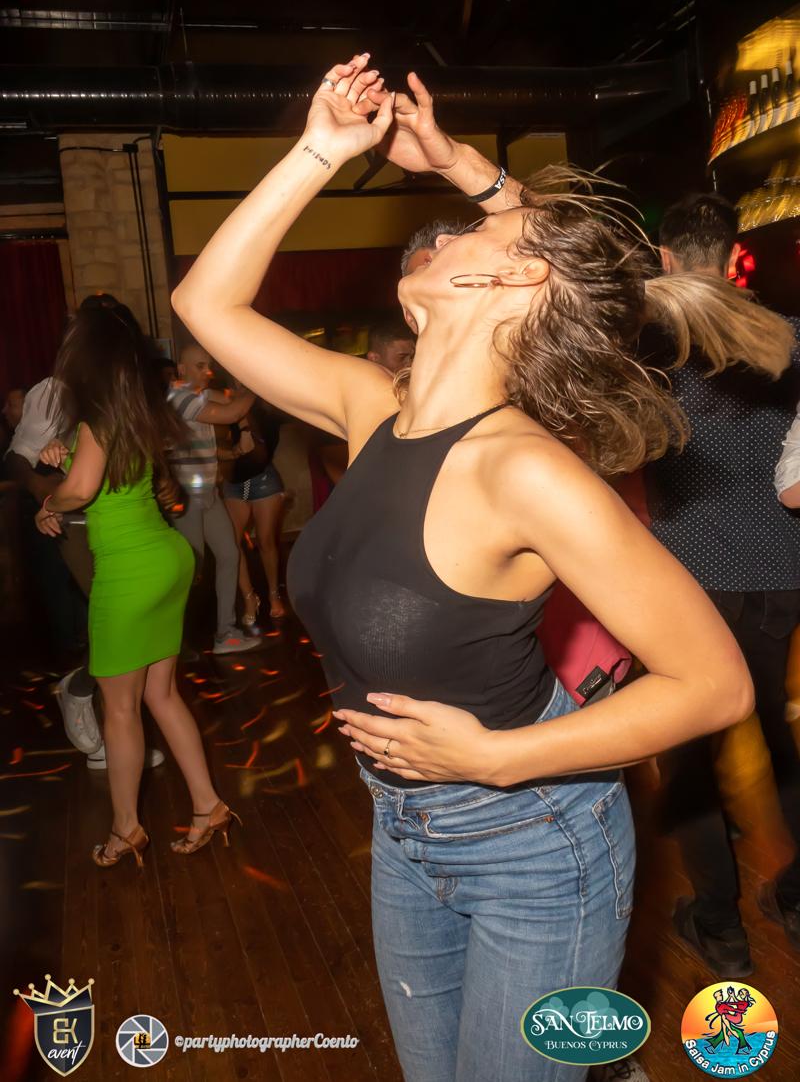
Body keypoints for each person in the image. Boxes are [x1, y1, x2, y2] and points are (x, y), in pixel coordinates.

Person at [171, 55, 757, 1082]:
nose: (441, 234)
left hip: (532, 838)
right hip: (403, 826)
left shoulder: (525, 471)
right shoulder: (370, 409)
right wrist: (320, 150)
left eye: (471, 232)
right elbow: (205, 303)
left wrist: (496, 759)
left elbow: (714, 683)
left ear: (513, 282)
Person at [638, 194, 800, 979]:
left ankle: (720, 926)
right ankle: (796, 901)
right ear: (734, 254)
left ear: (666, 258)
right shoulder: (788, 335)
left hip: (687, 578)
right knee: (776, 735)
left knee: (688, 754)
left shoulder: (648, 348)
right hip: (780, 569)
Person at [34, 299, 239, 865]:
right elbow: (105, 474)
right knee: (161, 695)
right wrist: (63, 455)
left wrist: (49, 503)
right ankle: (208, 806)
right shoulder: (135, 412)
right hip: (166, 558)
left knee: (120, 709)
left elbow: (82, 491)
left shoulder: (97, 417)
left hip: (129, 572)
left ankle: (126, 828)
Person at [4, 300, 165, 770]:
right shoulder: (53, 392)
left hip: (127, 524)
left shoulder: (127, 388)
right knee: (118, 628)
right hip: (77, 524)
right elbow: (16, 458)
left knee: (126, 630)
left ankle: (110, 726)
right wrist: (46, 494)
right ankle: (96, 718)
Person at [167, 344, 262, 654]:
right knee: (191, 569)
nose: (207, 372)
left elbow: (233, 403)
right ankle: (171, 641)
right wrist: (258, 383)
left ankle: (225, 633)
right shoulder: (177, 398)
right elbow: (232, 411)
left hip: (208, 492)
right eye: (199, 366)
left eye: (208, 365)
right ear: (181, 370)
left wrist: (243, 425)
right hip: (187, 496)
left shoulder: (199, 395)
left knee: (229, 555)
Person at [220, 394, 287, 626]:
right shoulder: (224, 404)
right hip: (233, 484)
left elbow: (259, 451)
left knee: (266, 541)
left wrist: (244, 423)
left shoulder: (266, 409)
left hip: (263, 481)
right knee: (231, 544)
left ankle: (274, 595)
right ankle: (249, 598)